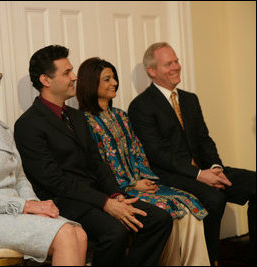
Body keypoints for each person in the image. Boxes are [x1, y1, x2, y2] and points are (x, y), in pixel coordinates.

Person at [14, 44, 173, 266]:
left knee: (159, 219)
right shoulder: (28, 125)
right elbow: (53, 180)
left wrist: (116, 195)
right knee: (114, 232)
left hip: (96, 195)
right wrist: (105, 202)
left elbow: (97, 162)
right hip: (64, 201)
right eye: (67, 72)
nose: (74, 77)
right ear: (46, 80)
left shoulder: (77, 117)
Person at [0, 50, 87, 266]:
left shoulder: (2, 129)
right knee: (66, 234)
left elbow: (20, 178)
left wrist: (33, 205)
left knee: (79, 234)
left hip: (9, 214)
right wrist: (27, 207)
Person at [128, 42, 256, 265]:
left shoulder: (189, 99)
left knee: (254, 182)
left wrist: (215, 167)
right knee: (215, 199)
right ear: (152, 71)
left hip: (205, 170)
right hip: (171, 175)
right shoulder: (141, 106)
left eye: (176, 60)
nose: (176, 66)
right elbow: (157, 154)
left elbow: (204, 139)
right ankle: (210, 260)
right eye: (169, 63)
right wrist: (199, 175)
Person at [76, 57, 210, 265]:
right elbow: (97, 165)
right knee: (169, 210)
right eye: (107, 79)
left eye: (115, 78)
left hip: (140, 182)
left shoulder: (121, 116)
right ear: (91, 83)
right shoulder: (83, 121)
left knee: (189, 203)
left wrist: (145, 178)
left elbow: (138, 151)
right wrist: (130, 184)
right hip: (117, 191)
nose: (114, 83)